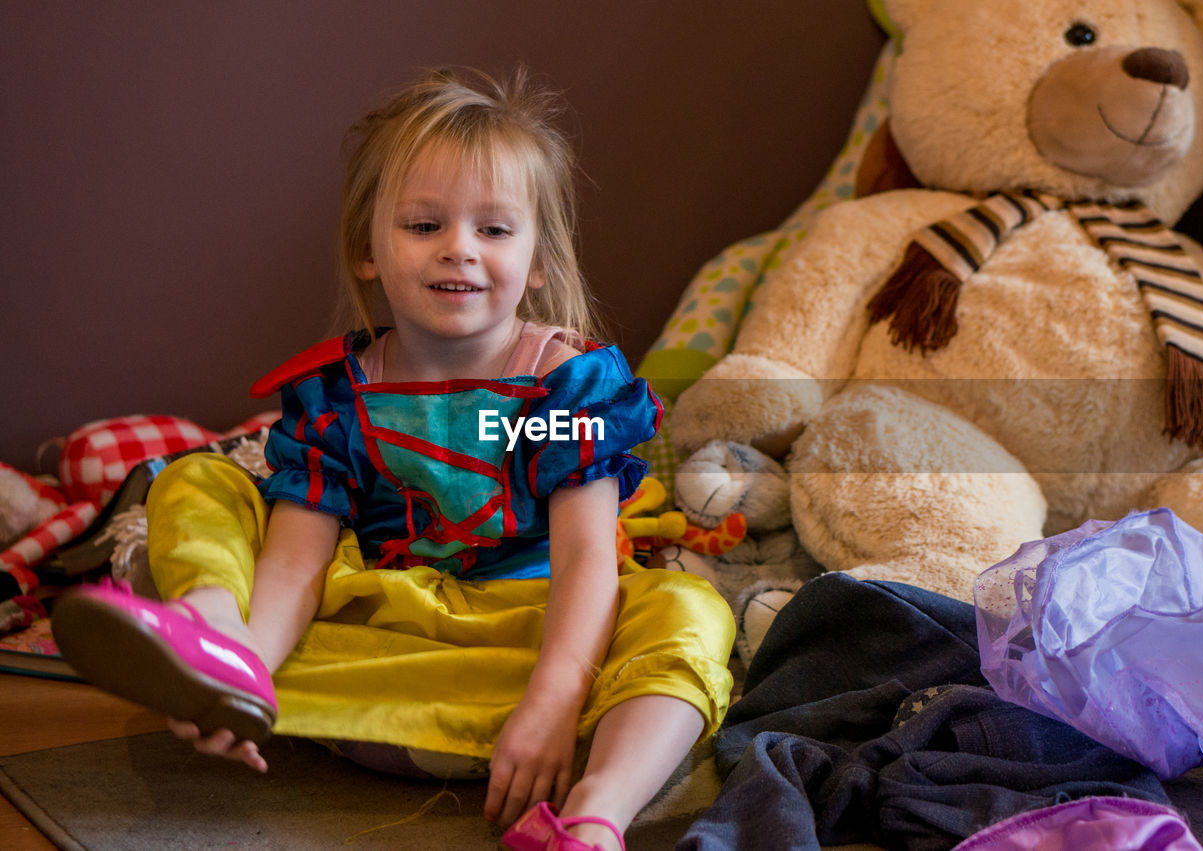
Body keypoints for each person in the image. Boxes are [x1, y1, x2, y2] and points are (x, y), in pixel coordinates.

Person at [52, 67, 735, 851]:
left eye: (494, 230)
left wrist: (551, 700)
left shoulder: (568, 389)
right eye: (423, 225)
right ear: (367, 250)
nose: (459, 250)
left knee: (689, 609)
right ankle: (225, 656)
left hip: (528, 657)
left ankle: (593, 811)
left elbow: (586, 563)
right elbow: (294, 567)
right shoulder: (337, 397)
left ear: (539, 260)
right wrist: (259, 661)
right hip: (376, 635)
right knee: (199, 479)